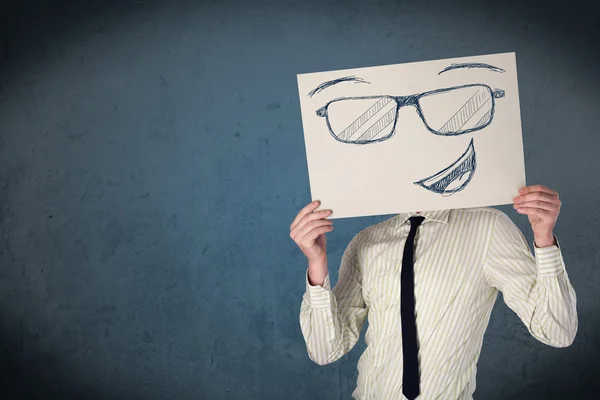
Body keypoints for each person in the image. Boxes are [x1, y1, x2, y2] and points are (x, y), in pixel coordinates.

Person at [290, 185, 577, 400]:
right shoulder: (367, 241)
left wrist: (544, 238)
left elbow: (557, 331)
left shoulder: (488, 228)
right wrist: (317, 263)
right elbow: (325, 350)